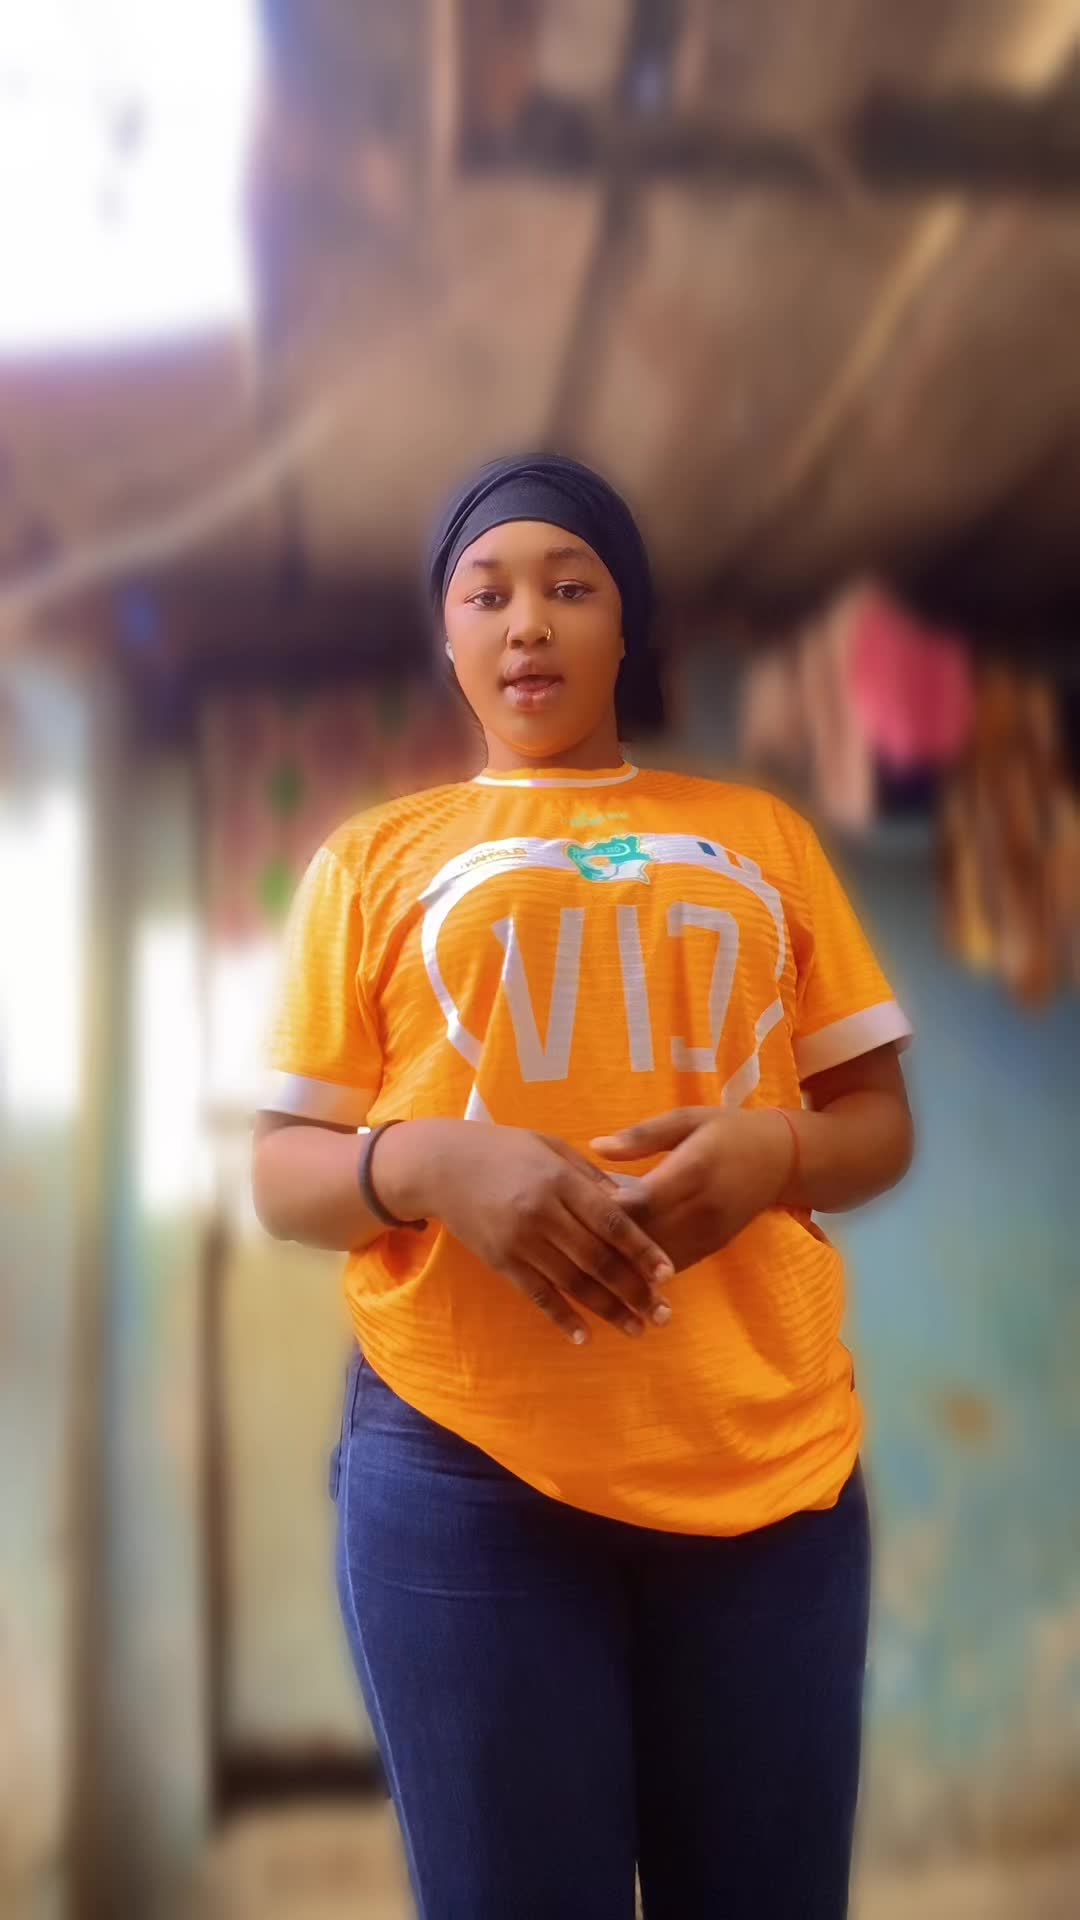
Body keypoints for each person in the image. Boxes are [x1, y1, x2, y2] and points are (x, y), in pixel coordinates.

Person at [252, 453, 915, 1920]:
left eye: (571, 587)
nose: (528, 623)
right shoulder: (372, 861)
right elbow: (284, 1176)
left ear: (630, 627)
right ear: (447, 638)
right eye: (485, 594)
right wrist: (428, 1161)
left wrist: (777, 1152)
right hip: (463, 1469)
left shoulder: (763, 840)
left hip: (766, 1466)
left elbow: (876, 1126)